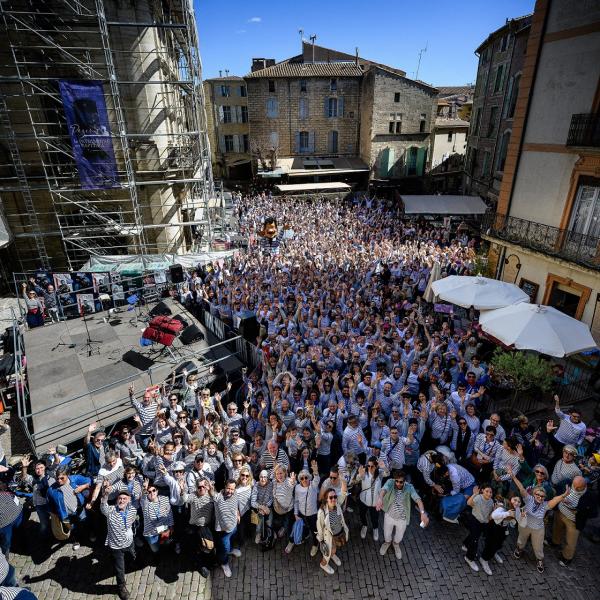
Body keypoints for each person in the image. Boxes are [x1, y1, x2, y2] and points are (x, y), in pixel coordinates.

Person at [508, 465, 569, 573]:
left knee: (538, 546)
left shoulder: (545, 505)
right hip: (525, 525)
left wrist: (563, 495)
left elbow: (554, 500)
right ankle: (519, 549)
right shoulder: (528, 499)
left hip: (538, 529)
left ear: (544, 497)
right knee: (521, 539)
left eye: (542, 496)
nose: (540, 497)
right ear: (534, 494)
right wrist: (513, 476)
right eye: (538, 495)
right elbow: (521, 487)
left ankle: (539, 560)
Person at [375, 470, 428, 560]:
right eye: (397, 481)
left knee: (399, 536)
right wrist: (380, 498)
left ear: (404, 481)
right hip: (389, 515)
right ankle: (387, 543)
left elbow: (418, 499)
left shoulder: (409, 487)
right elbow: (384, 489)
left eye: (401, 482)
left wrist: (422, 513)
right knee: (387, 533)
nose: (398, 483)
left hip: (402, 518)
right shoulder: (390, 482)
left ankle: (396, 544)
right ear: (394, 479)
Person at [100, 482, 137, 600]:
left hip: (129, 541)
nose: (121, 501)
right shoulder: (110, 511)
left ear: (129, 501)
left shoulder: (132, 510)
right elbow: (103, 506)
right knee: (119, 569)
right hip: (116, 546)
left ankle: (132, 562)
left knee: (132, 557)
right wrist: (105, 495)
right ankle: (121, 587)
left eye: (124, 499)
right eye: (120, 498)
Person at [552, 475, 598, 567]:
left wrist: (581, 510)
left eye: (579, 488)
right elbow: (556, 489)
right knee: (557, 529)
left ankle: (567, 558)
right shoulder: (566, 482)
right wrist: (561, 498)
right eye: (574, 486)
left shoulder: (590, 495)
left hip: (573, 521)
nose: (576, 488)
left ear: (585, 486)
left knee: (571, 541)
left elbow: (594, 513)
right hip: (560, 512)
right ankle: (555, 542)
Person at [287, 461, 320, 556]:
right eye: (302, 478)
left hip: (312, 514)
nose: (304, 480)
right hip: (301, 513)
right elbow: (296, 501)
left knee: (314, 530)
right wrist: (296, 514)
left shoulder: (313, 486)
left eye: (306, 477)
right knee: (301, 527)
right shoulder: (297, 488)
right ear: (300, 480)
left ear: (309, 478)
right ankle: (297, 539)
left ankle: (315, 545)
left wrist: (316, 472)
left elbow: (317, 479)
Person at [316, 488, 349, 575]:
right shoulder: (322, 512)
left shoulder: (337, 505)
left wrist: (343, 480)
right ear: (326, 499)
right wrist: (321, 540)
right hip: (329, 536)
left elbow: (343, 492)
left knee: (334, 548)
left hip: (338, 533)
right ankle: (323, 564)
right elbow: (319, 527)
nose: (333, 499)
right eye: (330, 497)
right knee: (328, 552)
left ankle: (332, 555)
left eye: (335, 497)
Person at [462, 485, 494, 573]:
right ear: (482, 491)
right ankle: (469, 558)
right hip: (474, 520)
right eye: (487, 491)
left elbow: (489, 513)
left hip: (482, 522)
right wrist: (474, 494)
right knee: (475, 540)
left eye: (490, 492)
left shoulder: (491, 501)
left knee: (474, 536)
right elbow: (469, 503)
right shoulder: (478, 498)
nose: (489, 493)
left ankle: (465, 545)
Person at [214, 479, 240, 578]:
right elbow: (212, 494)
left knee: (230, 541)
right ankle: (224, 563)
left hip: (233, 526)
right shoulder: (219, 497)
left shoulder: (235, 493)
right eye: (228, 488)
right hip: (223, 530)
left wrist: (237, 513)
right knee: (224, 548)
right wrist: (210, 490)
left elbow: (236, 504)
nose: (230, 491)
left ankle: (231, 550)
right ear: (224, 487)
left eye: (232, 489)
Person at [356, 458, 387, 542]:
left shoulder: (380, 473)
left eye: (372, 466)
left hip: (375, 502)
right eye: (368, 466)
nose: (369, 468)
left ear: (376, 466)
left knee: (375, 517)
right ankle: (364, 526)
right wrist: (359, 475)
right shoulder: (364, 473)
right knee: (362, 514)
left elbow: (387, 473)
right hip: (364, 500)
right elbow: (357, 479)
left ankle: (375, 529)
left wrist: (384, 467)